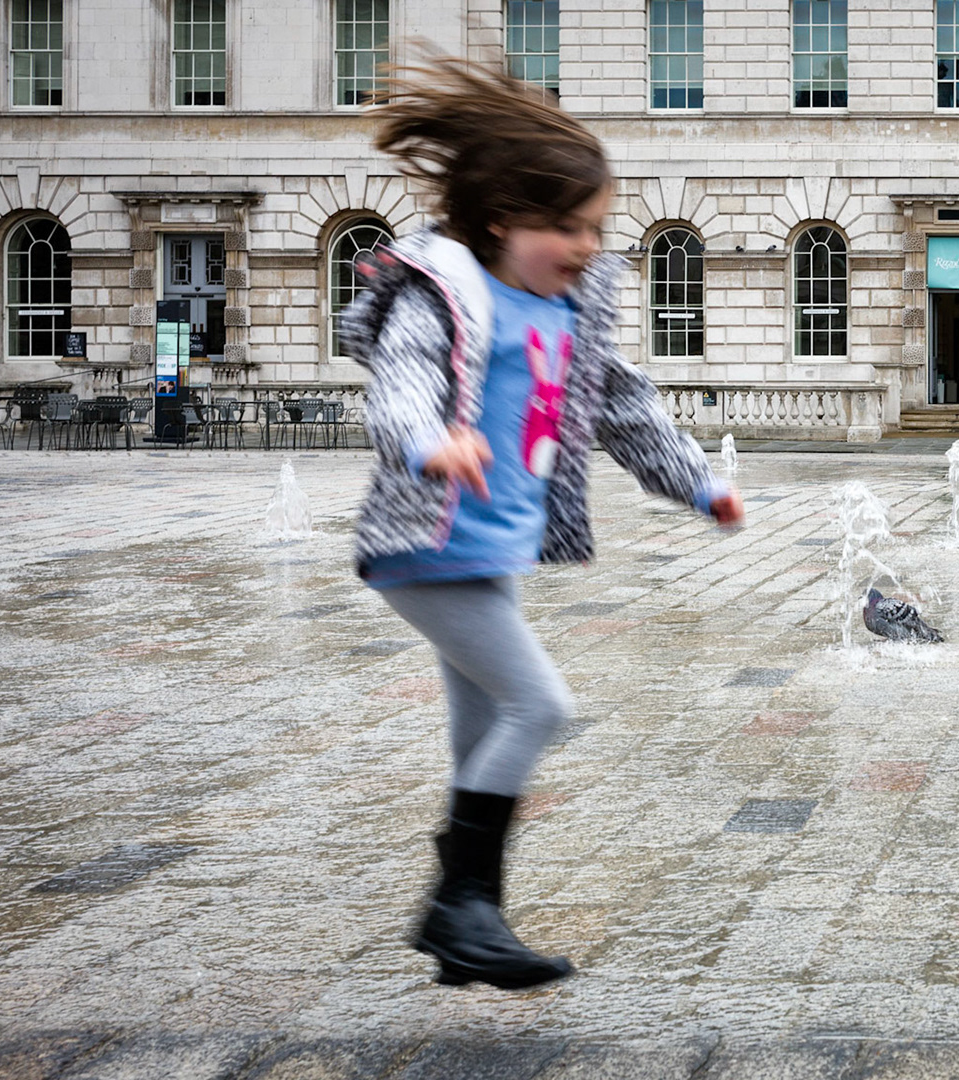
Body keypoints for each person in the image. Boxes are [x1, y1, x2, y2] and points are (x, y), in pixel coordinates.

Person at [342, 58, 743, 990]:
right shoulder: (442, 288)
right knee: (542, 707)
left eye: (595, 228)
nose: (584, 245)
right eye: (564, 226)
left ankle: (461, 927)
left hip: (489, 548)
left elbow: (622, 406)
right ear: (498, 220)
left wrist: (695, 484)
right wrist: (429, 442)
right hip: (424, 542)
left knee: (479, 732)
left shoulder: (571, 306)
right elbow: (399, 381)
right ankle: (459, 909)